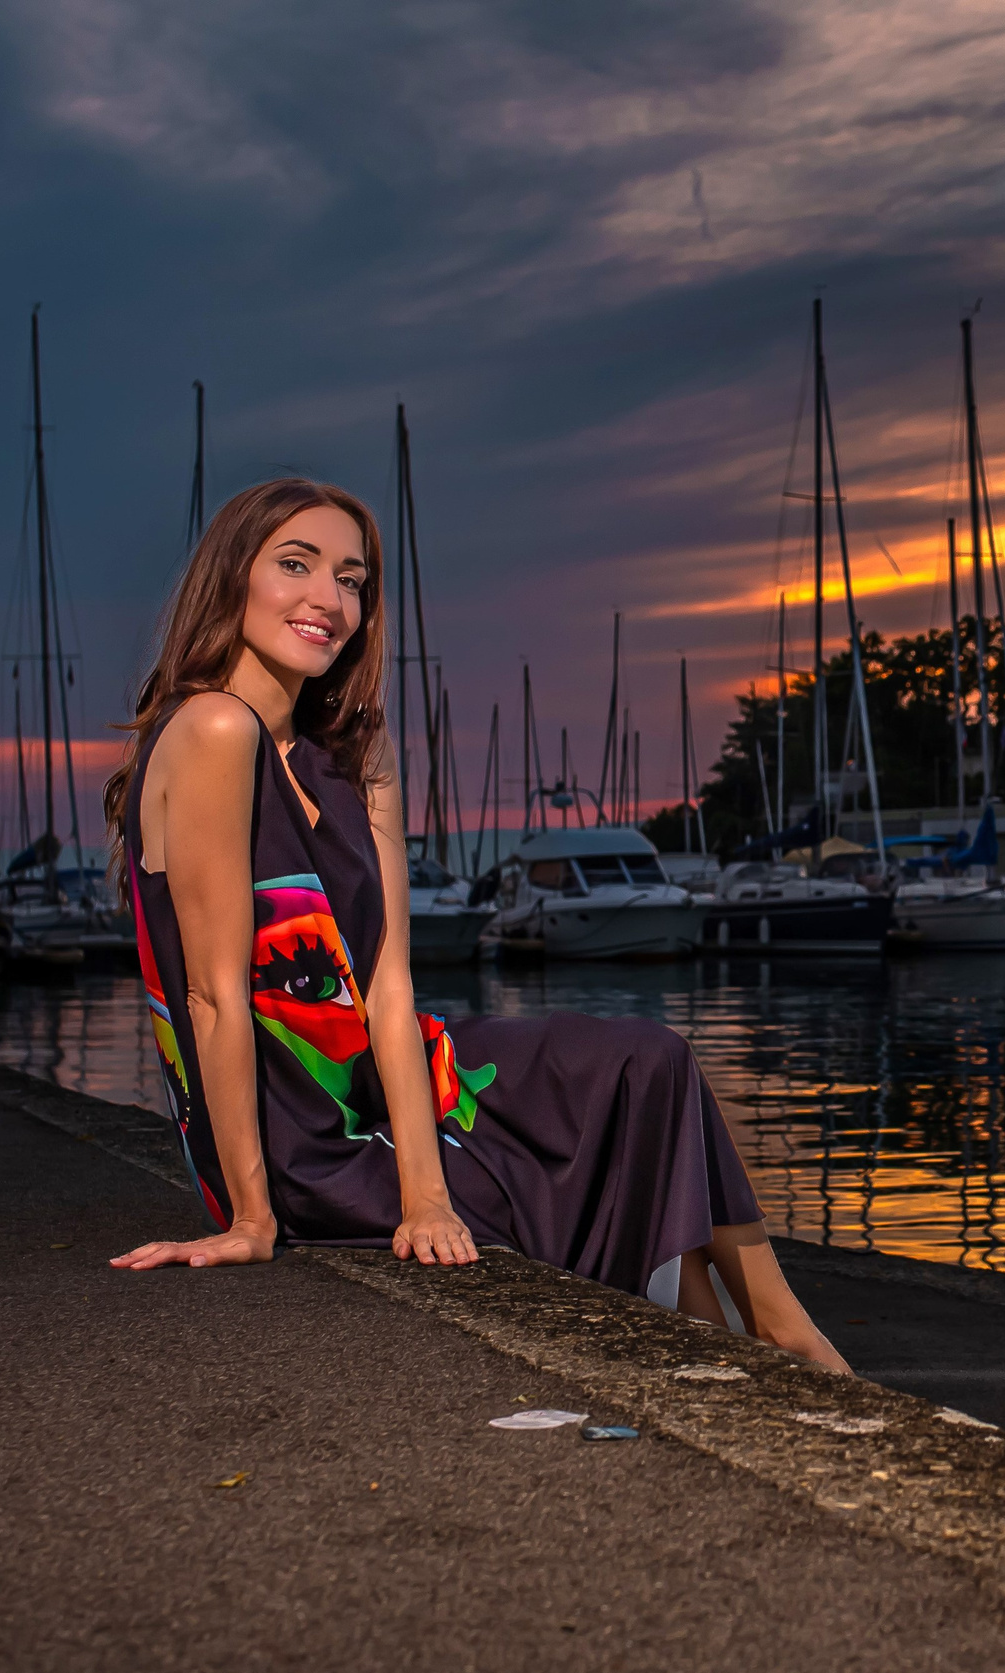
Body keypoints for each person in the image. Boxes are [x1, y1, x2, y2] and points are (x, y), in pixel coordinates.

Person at [102, 478, 846, 1372]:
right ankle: (757, 1345)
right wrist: (251, 1219)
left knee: (647, 1063)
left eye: (351, 579)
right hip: (299, 1138)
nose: (328, 598)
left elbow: (388, 987)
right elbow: (213, 995)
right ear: (233, 576)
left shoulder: (357, 752)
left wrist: (427, 1197)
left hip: (397, 1088)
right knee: (592, 1145)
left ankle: (770, 1335)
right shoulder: (214, 728)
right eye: (296, 565)